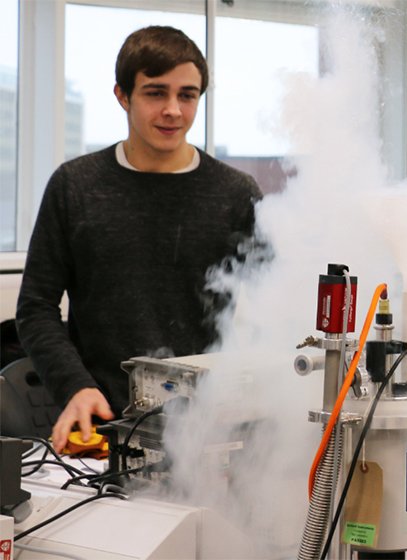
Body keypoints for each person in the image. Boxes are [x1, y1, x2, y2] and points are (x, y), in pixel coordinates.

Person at [15, 26, 262, 453]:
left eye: (187, 95)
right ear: (122, 96)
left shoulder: (237, 195)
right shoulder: (76, 186)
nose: (173, 110)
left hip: (211, 433)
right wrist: (76, 387)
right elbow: (36, 308)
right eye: (155, 93)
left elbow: (274, 315)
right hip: (105, 426)